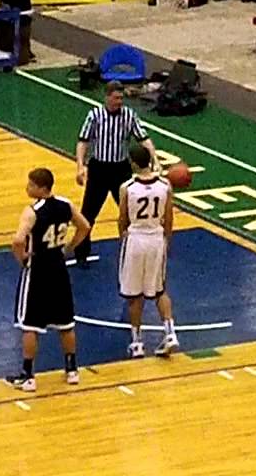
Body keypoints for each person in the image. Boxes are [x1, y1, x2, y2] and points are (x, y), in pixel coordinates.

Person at [6, 167, 90, 392]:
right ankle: (72, 370)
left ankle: (28, 375)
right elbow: (85, 226)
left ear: (42, 188)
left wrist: (21, 258)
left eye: (31, 184)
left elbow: (17, 240)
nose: (28, 187)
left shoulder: (32, 211)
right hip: (58, 267)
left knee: (30, 324)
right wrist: (70, 247)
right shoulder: (65, 204)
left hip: (38, 270)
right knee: (66, 323)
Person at [72, 81, 157, 265]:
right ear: (107, 97)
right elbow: (83, 141)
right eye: (116, 98)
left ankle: (135, 248)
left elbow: (143, 138)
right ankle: (81, 253)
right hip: (99, 168)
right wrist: (80, 166)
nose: (120, 102)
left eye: (121, 98)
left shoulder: (129, 115)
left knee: (130, 211)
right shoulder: (95, 115)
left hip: (121, 169)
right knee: (88, 213)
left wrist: (155, 159)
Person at [117, 144, 178, 358]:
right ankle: (170, 332)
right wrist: (167, 241)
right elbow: (169, 218)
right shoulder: (165, 185)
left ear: (133, 163)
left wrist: (122, 235)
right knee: (160, 289)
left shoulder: (127, 187)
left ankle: (137, 343)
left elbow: (122, 218)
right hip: (156, 238)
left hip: (135, 239)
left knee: (134, 294)